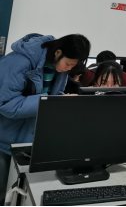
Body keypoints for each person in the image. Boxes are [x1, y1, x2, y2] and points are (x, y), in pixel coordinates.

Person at [0, 33, 90, 205]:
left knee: (17, 192)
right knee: (2, 190)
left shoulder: (59, 69)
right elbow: (6, 105)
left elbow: (53, 95)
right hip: (5, 135)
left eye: (72, 66)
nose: (68, 69)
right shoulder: (20, 62)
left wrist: (63, 100)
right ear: (58, 53)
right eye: (68, 64)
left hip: (29, 138)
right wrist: (49, 101)